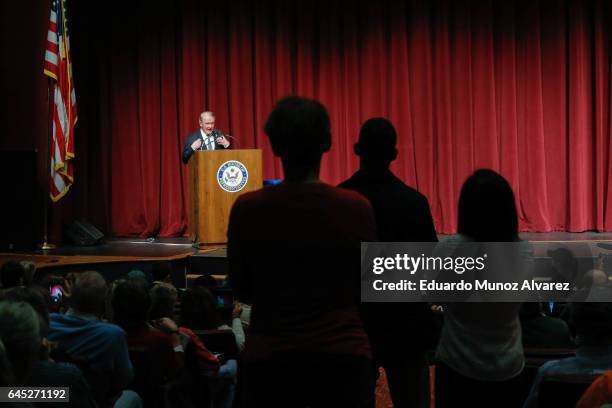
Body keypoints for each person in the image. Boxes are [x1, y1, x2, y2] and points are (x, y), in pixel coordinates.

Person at [228, 96, 377, 407]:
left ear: (275, 145)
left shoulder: (248, 209)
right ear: (327, 143)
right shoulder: (357, 208)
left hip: (271, 360)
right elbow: (367, 288)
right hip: (344, 358)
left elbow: (242, 288)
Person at [339, 117, 438, 408]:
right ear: (394, 154)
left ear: (356, 149)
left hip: (353, 324)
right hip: (406, 325)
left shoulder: (340, 200)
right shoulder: (414, 202)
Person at [434, 169, 525, 408]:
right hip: (509, 366)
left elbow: (434, 296)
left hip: (457, 364)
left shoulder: (450, 249)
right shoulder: (522, 251)